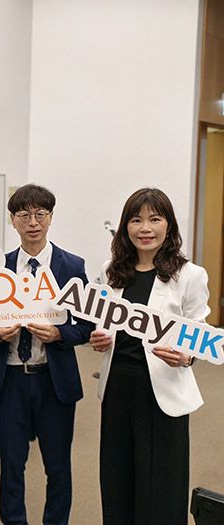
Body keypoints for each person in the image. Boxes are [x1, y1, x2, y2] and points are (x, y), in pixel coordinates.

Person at [90, 188, 209, 525]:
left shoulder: (189, 275)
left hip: (162, 391)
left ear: (168, 226)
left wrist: (186, 356)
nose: (145, 228)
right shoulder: (112, 269)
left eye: (154, 219)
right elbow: (106, 321)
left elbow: (198, 332)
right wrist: (100, 337)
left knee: (162, 484)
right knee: (117, 478)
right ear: (125, 226)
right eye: (136, 220)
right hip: (117, 388)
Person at [0, 184, 92, 525]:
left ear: (50, 217)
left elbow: (86, 326)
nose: (33, 222)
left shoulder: (71, 266)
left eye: (40, 214)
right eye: (24, 215)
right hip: (11, 379)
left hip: (53, 380)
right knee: (11, 465)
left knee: (57, 466)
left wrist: (60, 334)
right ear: (13, 220)